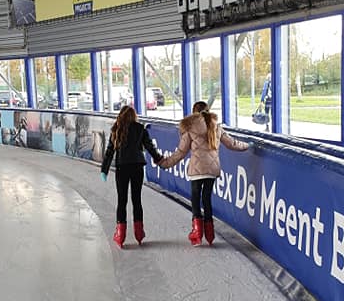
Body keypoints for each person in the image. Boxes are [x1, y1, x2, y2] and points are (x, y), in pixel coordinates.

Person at [159, 101, 252, 246]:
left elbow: (180, 153)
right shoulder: (216, 127)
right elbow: (232, 144)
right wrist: (248, 146)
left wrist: (165, 163)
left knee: (196, 199)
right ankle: (210, 233)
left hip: (197, 170)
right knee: (207, 199)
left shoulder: (189, 128)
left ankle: (197, 232)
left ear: (193, 112)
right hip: (212, 170)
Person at [101, 105, 163, 247]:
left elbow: (109, 151)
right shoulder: (140, 128)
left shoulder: (116, 129)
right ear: (133, 115)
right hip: (137, 167)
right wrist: (159, 159)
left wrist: (104, 169)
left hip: (122, 168)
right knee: (137, 200)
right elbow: (149, 147)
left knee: (122, 201)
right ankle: (139, 233)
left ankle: (120, 235)